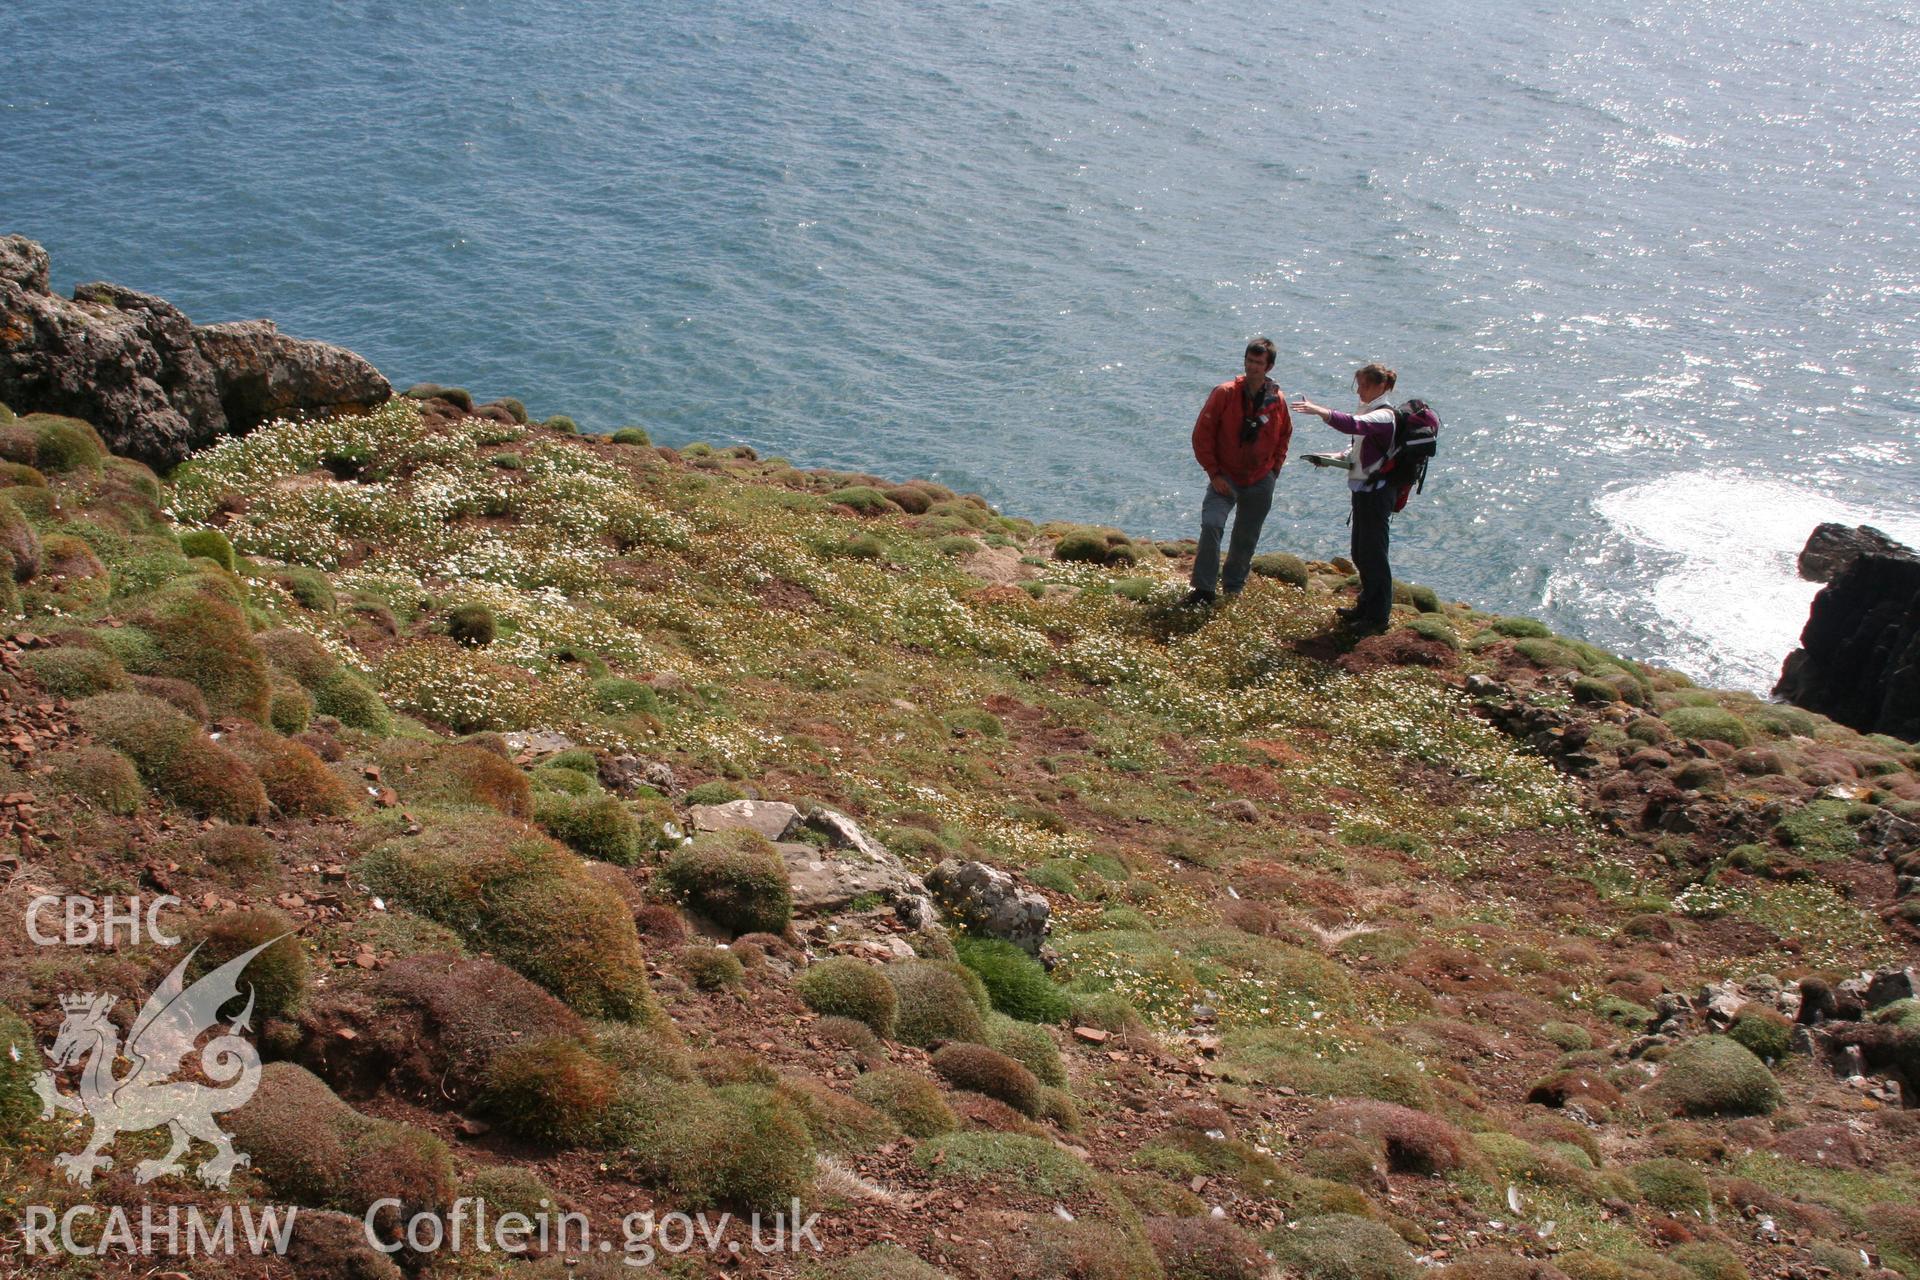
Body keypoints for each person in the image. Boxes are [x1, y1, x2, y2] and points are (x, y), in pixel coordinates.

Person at [1182, 337, 1293, 608]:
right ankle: (1203, 589)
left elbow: (1284, 435)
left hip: (1260, 478)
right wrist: (1214, 473)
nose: (1253, 367)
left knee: (1246, 535)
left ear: (1269, 366)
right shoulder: (1225, 393)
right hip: (1226, 476)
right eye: (1249, 361)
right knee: (1212, 524)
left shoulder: (1276, 400)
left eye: (1259, 363)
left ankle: (1233, 587)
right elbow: (1202, 435)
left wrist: (1273, 471)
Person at [1291, 362, 1400, 634]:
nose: (1359, 391)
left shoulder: (1385, 416)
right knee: (1360, 553)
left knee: (1374, 554)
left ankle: (1377, 617)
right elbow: (1357, 452)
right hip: (1363, 490)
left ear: (1382, 386)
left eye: (1364, 385)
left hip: (1378, 492)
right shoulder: (1370, 409)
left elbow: (1352, 425)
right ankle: (1365, 606)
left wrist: (1319, 411)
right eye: (1358, 385)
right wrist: (1332, 459)